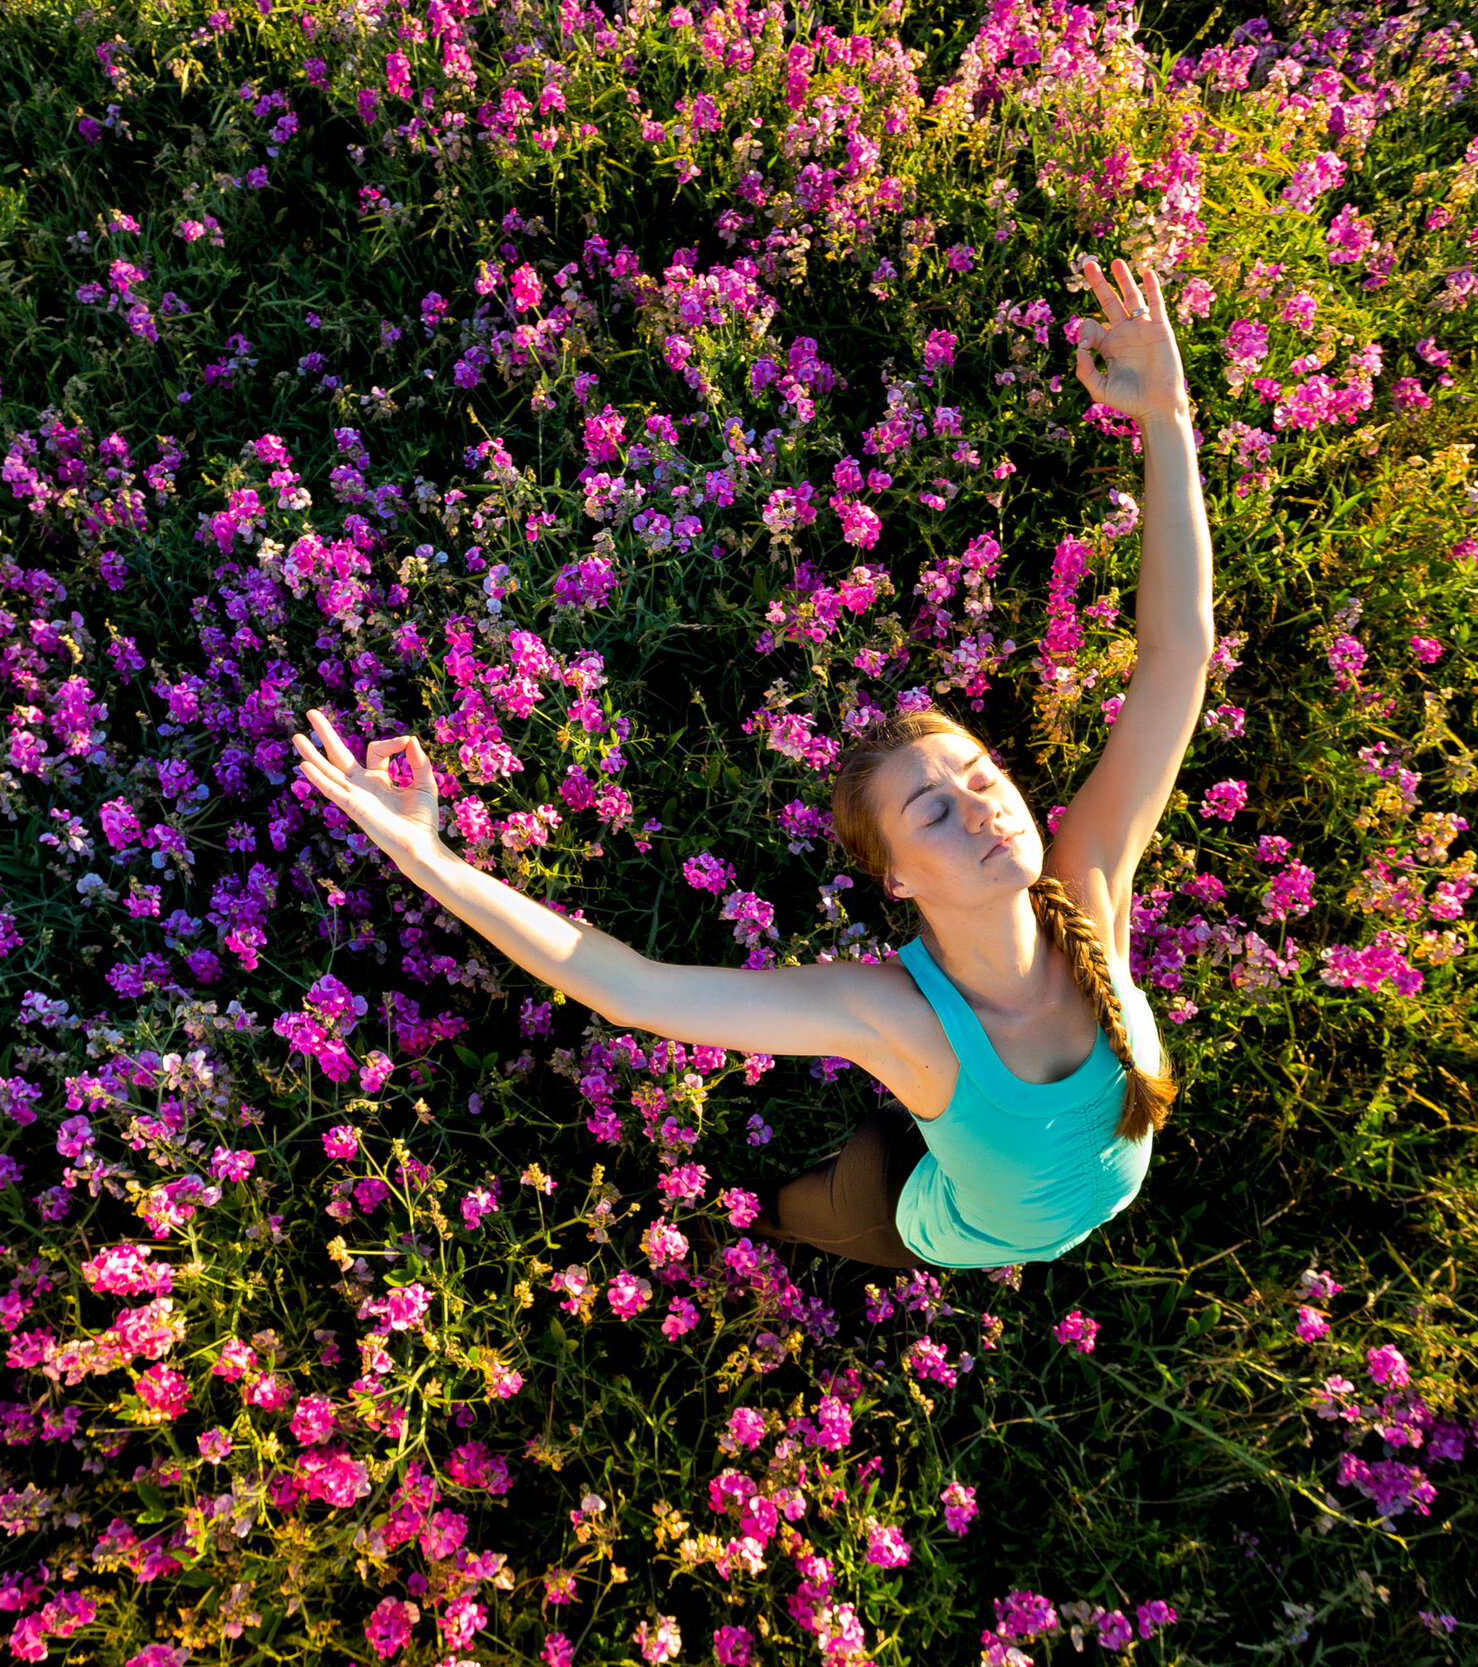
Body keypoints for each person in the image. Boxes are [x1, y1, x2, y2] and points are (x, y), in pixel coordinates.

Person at [290, 256, 1216, 1270]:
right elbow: (629, 987)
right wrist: (428, 855)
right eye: (935, 812)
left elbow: (1177, 655)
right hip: (922, 1219)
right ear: (895, 878)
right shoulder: (888, 1014)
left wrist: (1167, 418)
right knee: (808, 1213)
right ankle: (764, 1222)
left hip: (1019, 1171)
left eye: (981, 783)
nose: (984, 810)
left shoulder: (1089, 889)